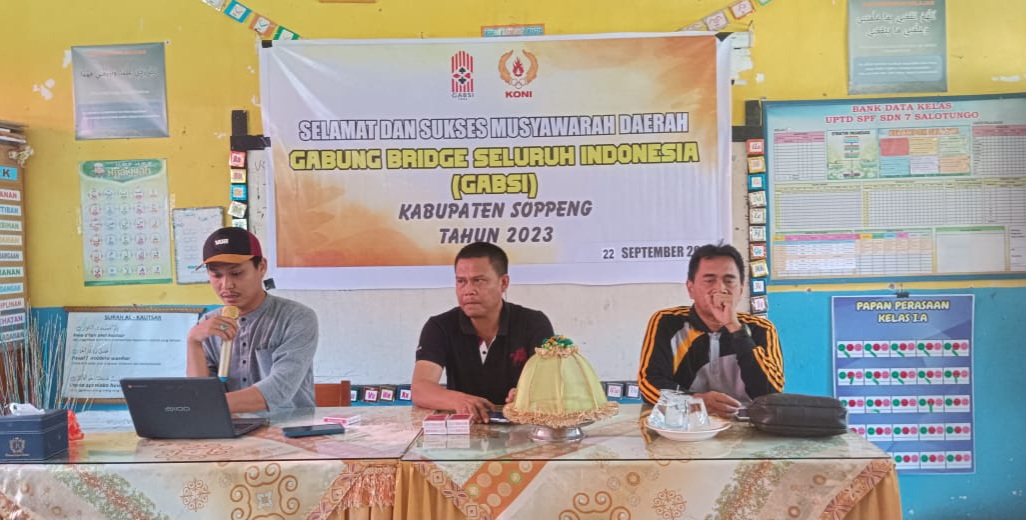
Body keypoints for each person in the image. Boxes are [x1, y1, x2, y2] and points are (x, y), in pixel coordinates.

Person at [412, 242, 554, 423]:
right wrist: (458, 400)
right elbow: (420, 389)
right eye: (461, 281)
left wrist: (528, 394)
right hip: (464, 428)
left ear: (504, 283)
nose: (468, 291)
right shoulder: (440, 326)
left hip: (523, 426)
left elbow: (550, 382)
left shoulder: (533, 323)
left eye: (479, 281)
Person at [637, 243, 783, 417]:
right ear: (690, 288)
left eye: (729, 281)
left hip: (746, 423)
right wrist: (693, 401)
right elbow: (649, 383)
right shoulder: (667, 322)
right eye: (709, 280)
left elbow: (771, 393)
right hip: (685, 422)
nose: (720, 289)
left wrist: (734, 327)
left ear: (741, 290)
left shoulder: (761, 329)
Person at [186, 227, 318, 413]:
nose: (226, 285)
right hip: (229, 426)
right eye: (216, 275)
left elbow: (279, 389)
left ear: (261, 267)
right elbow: (200, 391)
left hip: (289, 426)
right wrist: (193, 342)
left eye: (236, 273)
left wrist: (207, 404)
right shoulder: (208, 323)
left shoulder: (297, 317)